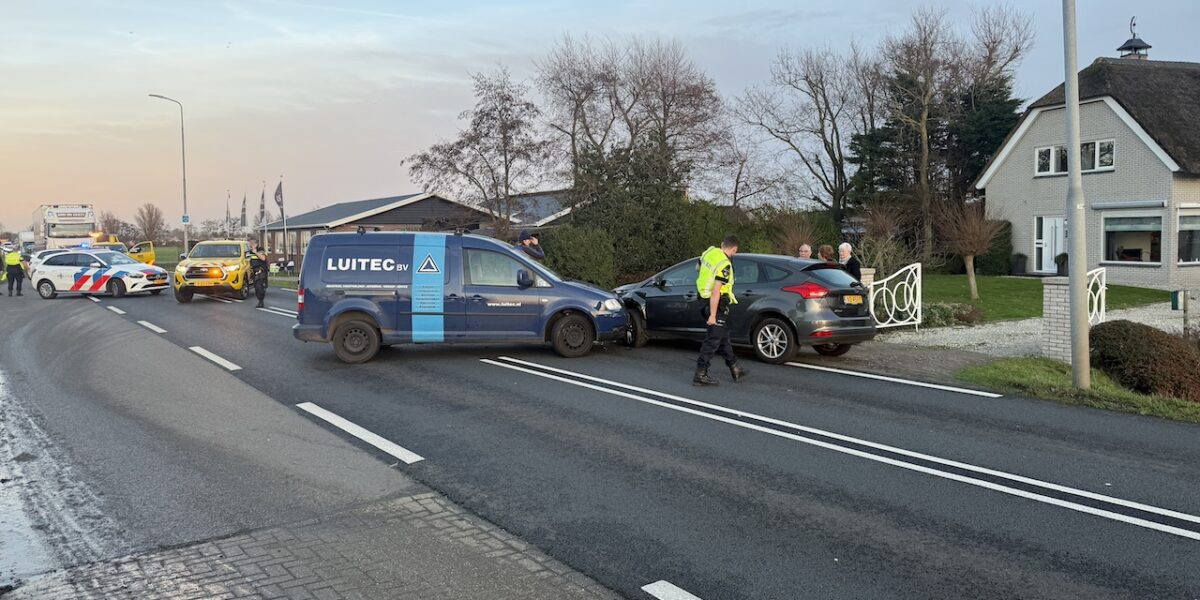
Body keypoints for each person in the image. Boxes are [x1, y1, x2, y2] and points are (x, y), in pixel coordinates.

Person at [693, 235, 748, 386]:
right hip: (715, 303)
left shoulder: (709, 252)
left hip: (702, 297)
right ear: (733, 249)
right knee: (713, 339)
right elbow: (716, 291)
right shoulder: (725, 264)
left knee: (722, 336)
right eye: (735, 252)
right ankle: (701, 373)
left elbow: (697, 268)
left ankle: (735, 367)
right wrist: (712, 315)